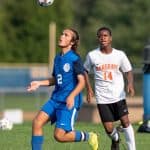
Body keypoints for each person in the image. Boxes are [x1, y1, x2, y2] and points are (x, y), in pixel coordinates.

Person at [27, 28, 98, 150]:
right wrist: (39, 83)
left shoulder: (75, 59)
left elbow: (81, 83)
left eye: (66, 35)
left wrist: (71, 96)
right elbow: (55, 79)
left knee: (59, 136)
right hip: (55, 99)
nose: (61, 36)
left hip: (69, 103)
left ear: (72, 42)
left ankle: (89, 136)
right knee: (37, 122)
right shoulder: (58, 58)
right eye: (62, 34)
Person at [84, 27, 136, 150]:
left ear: (110, 38)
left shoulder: (119, 55)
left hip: (118, 96)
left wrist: (130, 84)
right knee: (108, 129)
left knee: (126, 122)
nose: (103, 38)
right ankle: (116, 139)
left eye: (105, 35)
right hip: (102, 98)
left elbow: (128, 71)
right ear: (98, 38)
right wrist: (89, 89)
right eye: (100, 36)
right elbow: (84, 71)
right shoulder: (92, 55)